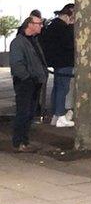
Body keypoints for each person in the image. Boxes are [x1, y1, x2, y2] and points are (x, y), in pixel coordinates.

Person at [10, 13, 47, 152]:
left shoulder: (33, 40)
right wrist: (27, 77)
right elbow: (17, 63)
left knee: (30, 113)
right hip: (25, 83)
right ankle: (19, 142)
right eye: (39, 23)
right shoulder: (19, 42)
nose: (41, 26)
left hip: (34, 81)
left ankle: (24, 141)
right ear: (30, 25)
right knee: (23, 112)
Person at [40, 3, 75, 128]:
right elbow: (70, 44)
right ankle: (60, 115)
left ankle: (56, 114)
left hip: (56, 62)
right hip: (65, 61)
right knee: (63, 88)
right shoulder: (64, 28)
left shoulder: (52, 26)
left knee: (57, 87)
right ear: (67, 16)